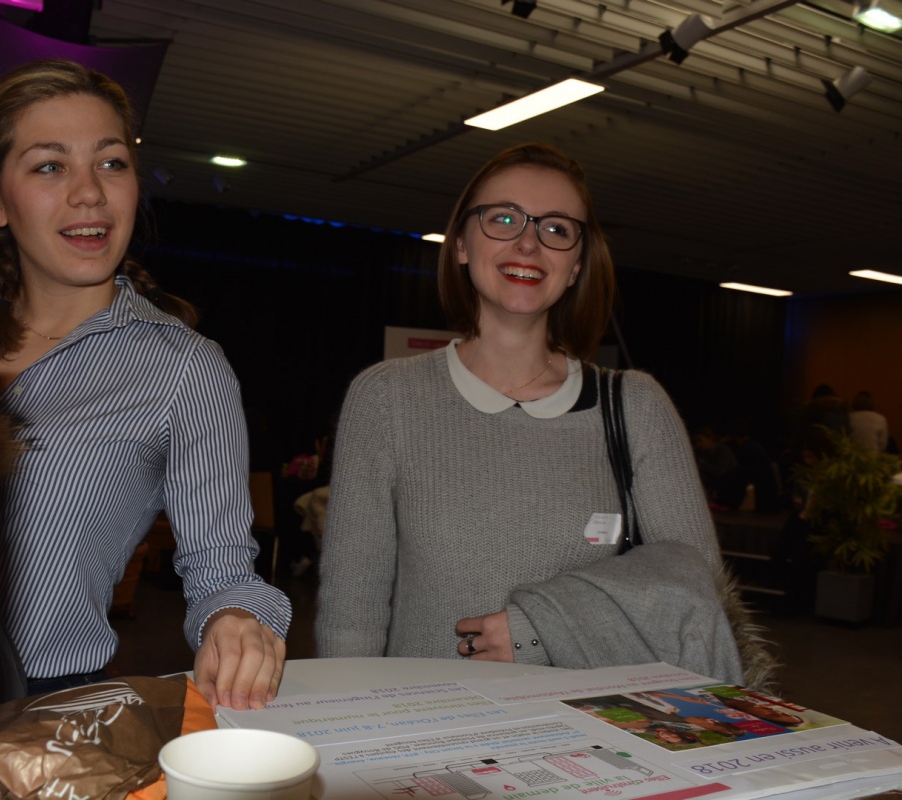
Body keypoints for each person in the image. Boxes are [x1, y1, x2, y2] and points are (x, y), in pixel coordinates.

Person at [315, 142, 745, 685]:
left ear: (575, 267)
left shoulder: (634, 406)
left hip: (594, 735)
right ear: (462, 245)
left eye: (557, 229)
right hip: (425, 730)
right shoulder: (386, 398)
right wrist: (347, 731)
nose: (527, 242)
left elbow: (694, 582)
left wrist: (541, 626)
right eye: (503, 218)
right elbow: (353, 610)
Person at [0, 59, 290, 709]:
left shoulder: (182, 368)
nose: (90, 192)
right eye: (49, 165)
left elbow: (223, 572)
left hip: (38, 711)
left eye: (110, 162)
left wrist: (237, 623)